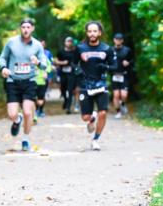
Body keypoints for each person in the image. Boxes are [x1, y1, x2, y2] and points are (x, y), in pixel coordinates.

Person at [0, 18, 45, 152]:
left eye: (28, 27)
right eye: (23, 27)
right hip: (12, 81)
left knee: (27, 112)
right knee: (12, 114)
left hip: (29, 81)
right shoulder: (11, 42)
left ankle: (25, 139)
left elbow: (44, 63)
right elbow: (3, 57)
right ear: (20, 28)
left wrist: (37, 62)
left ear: (32, 29)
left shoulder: (37, 45)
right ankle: (17, 120)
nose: (26, 29)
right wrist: (3, 68)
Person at [76, 21, 117, 151]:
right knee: (85, 117)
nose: (92, 34)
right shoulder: (80, 48)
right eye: (89, 31)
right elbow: (72, 63)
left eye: (95, 31)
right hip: (85, 85)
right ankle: (92, 118)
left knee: (103, 113)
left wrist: (105, 67)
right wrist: (77, 71)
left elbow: (115, 67)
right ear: (87, 33)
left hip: (101, 84)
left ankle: (96, 139)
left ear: (99, 33)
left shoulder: (107, 49)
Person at [110, 32, 133, 118]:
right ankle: (118, 112)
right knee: (116, 95)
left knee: (123, 95)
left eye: (119, 40)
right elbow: (106, 62)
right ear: (114, 40)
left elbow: (132, 60)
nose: (118, 41)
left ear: (122, 41)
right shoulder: (110, 50)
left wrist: (128, 63)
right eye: (116, 39)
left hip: (124, 75)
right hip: (114, 75)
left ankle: (122, 104)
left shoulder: (127, 50)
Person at [55, 36, 78, 113]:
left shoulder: (74, 52)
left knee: (70, 90)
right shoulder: (61, 51)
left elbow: (77, 61)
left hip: (71, 74)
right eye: (67, 41)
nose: (69, 43)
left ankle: (68, 108)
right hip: (63, 73)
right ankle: (66, 100)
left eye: (70, 42)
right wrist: (63, 63)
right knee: (63, 89)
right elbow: (56, 61)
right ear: (65, 43)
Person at [34, 40, 54, 119]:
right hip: (32, 80)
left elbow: (49, 65)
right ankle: (35, 112)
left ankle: (40, 110)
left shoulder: (45, 56)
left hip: (42, 80)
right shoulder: (31, 55)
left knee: (40, 99)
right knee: (32, 97)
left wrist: (46, 71)